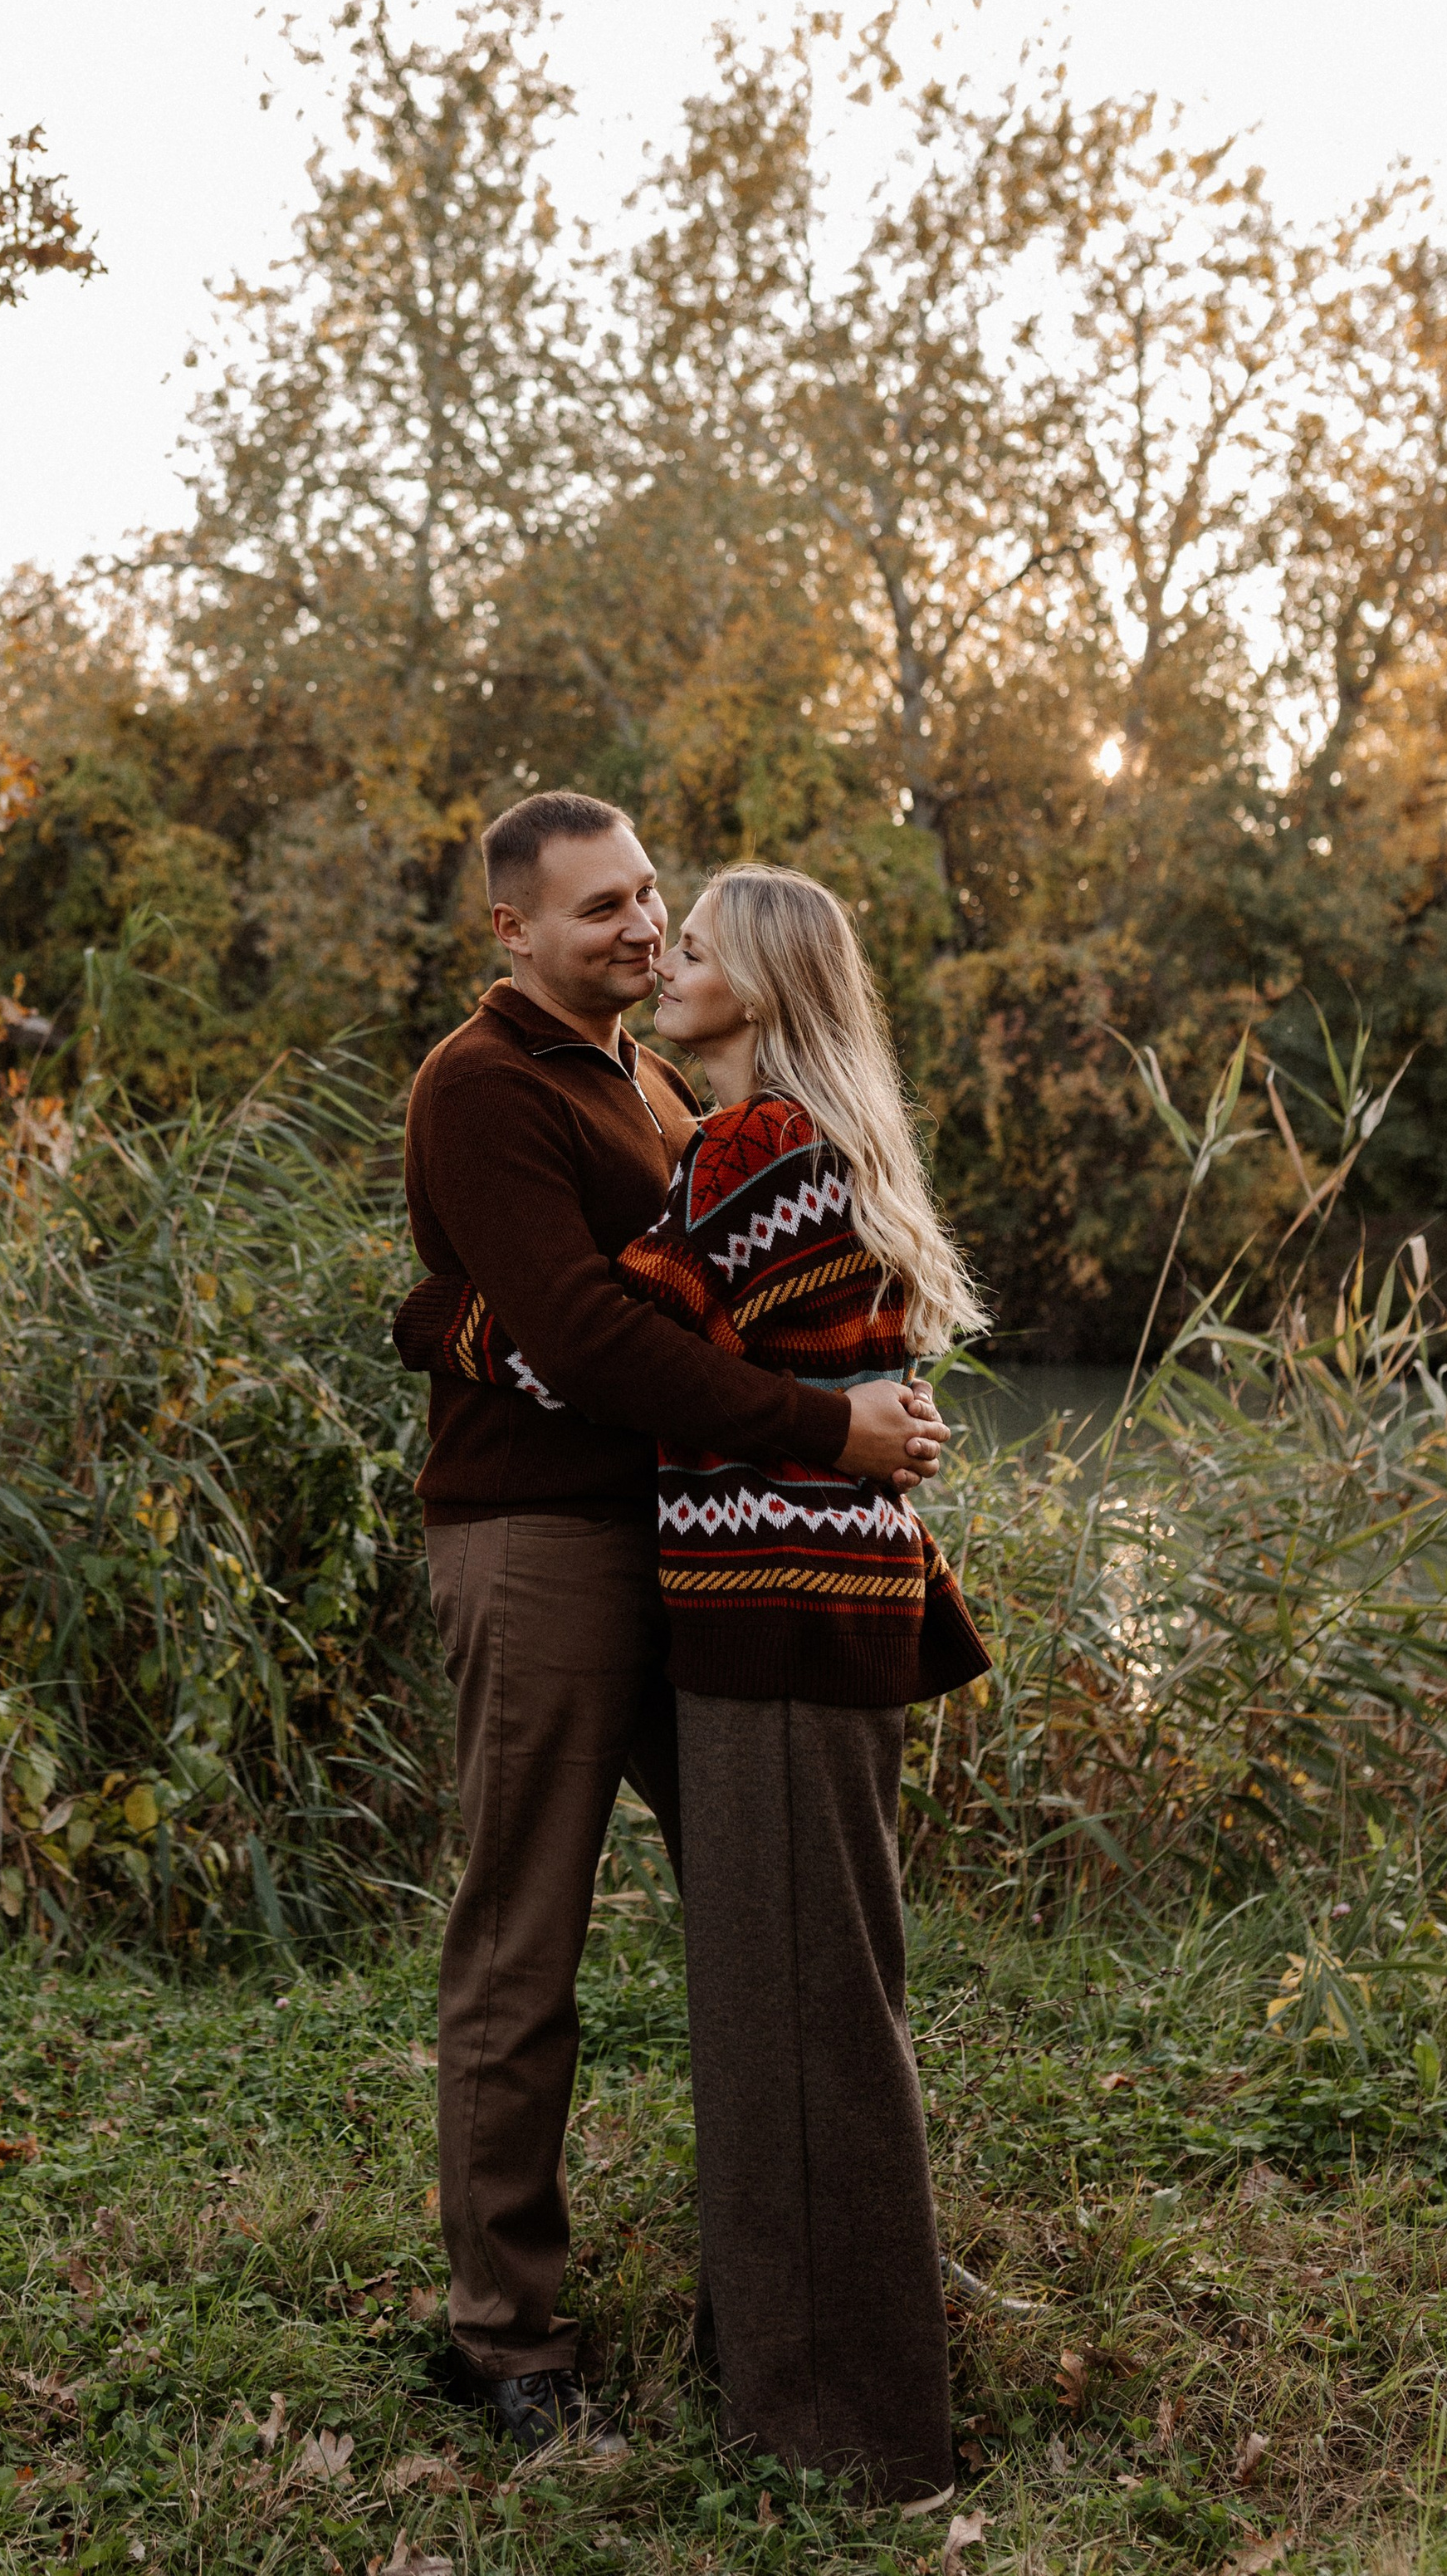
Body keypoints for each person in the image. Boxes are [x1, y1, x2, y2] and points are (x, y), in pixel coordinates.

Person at [398, 861, 990, 2504]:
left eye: (665, 906)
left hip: (731, 1573)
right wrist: (844, 1416)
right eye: (604, 907)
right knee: (553, 1940)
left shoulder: (688, 1103)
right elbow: (611, 1341)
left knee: (781, 1953)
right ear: (512, 925)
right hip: (557, 1542)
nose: (645, 932)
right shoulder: (485, 1084)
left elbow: (646, 1328)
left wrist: (437, 1319)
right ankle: (506, 2336)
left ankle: (814, 2364)